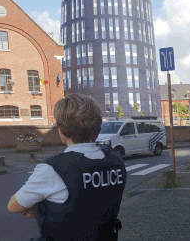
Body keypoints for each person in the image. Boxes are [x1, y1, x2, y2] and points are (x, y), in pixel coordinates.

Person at [7, 93, 127, 241]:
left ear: (61, 130)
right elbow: (95, 201)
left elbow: (14, 206)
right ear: (98, 128)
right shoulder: (116, 161)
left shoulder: (54, 168)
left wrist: (40, 209)